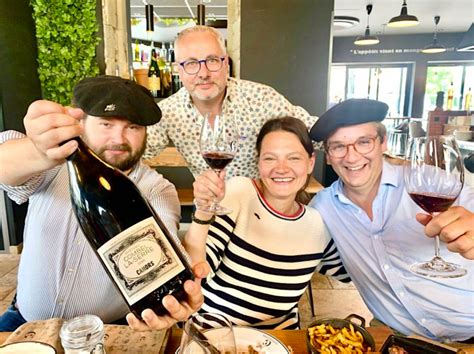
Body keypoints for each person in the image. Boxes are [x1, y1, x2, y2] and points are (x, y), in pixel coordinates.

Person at [0, 76, 206, 332]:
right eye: (106, 124)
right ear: (80, 124)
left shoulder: (157, 189)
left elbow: (165, 249)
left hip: (107, 330)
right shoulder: (52, 167)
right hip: (24, 322)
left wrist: (178, 295)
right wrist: (40, 150)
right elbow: (3, 164)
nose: (118, 138)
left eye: (132, 127)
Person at [308, 98, 474, 342]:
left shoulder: (428, 182)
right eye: (338, 147)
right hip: (398, 339)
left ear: (383, 143)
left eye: (364, 142)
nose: (352, 157)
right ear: (329, 156)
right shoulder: (323, 207)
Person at [182, 117, 349, 329]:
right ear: (258, 162)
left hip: (279, 341)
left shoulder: (318, 223)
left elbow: (352, 274)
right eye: (270, 158)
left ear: (310, 163)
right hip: (214, 335)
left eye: (294, 158)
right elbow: (197, 270)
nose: (281, 168)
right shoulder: (240, 192)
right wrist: (203, 211)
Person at [144, 25, 317, 179]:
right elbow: (136, 151)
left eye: (212, 60)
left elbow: (314, 132)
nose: (203, 73)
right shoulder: (166, 112)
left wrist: (342, 150)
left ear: (225, 63)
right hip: (209, 206)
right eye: (191, 63)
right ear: (179, 70)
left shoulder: (260, 98)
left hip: (259, 206)